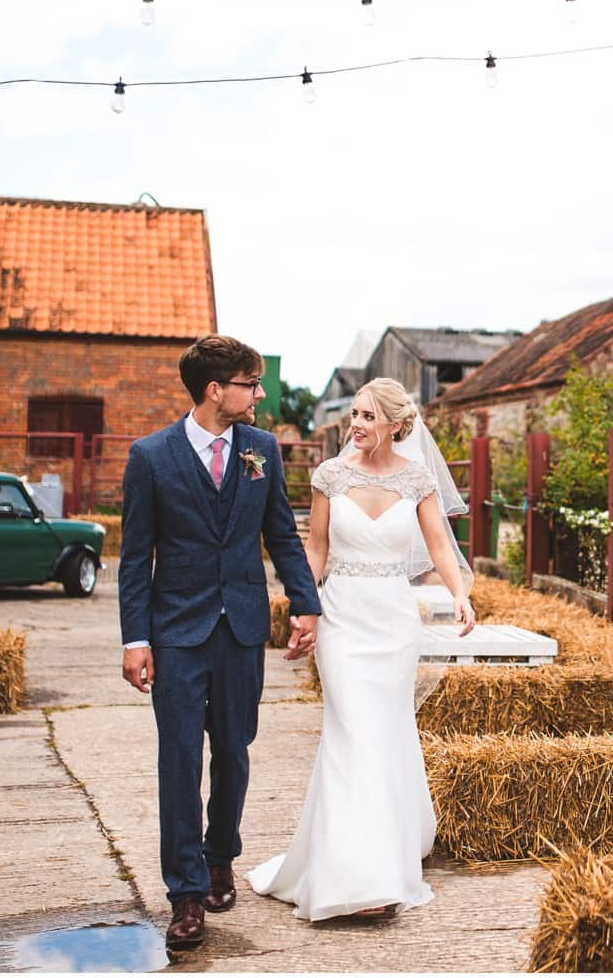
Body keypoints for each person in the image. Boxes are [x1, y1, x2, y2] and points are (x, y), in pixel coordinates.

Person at [118, 335, 322, 951]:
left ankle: (219, 858)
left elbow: (281, 534)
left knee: (233, 750)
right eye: (250, 383)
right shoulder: (150, 456)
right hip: (176, 634)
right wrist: (135, 639)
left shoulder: (261, 450)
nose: (260, 394)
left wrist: (306, 603)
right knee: (178, 760)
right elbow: (133, 559)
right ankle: (184, 894)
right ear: (216, 390)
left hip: (240, 629)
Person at [247, 377, 475, 922]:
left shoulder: (417, 480)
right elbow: (317, 548)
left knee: (385, 733)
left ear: (396, 424)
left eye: (369, 416)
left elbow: (441, 545)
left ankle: (382, 867)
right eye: (354, 413)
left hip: (394, 624)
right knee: (352, 733)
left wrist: (460, 595)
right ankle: (353, 877)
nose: (357, 423)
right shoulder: (329, 476)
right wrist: (303, 607)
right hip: (343, 620)